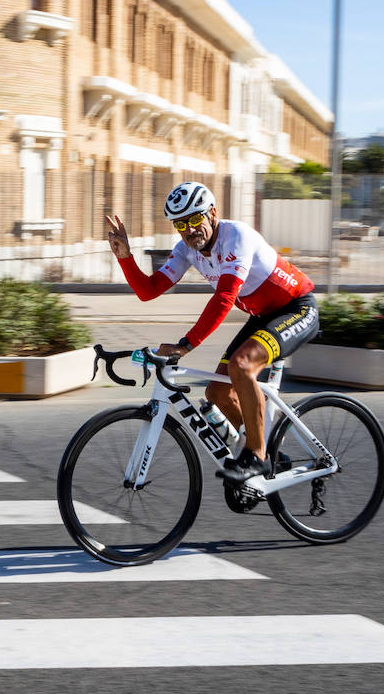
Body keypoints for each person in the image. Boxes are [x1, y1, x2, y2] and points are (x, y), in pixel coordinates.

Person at [104, 182, 319, 484]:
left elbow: (224, 298)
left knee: (241, 366)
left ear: (213, 213)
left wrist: (185, 345)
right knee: (217, 392)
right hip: (263, 316)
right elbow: (149, 291)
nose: (189, 230)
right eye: (181, 224)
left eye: (195, 219)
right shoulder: (186, 251)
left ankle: (255, 456)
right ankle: (270, 454)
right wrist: (125, 256)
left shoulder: (237, 237)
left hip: (297, 309)